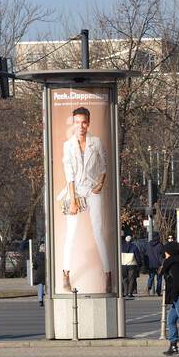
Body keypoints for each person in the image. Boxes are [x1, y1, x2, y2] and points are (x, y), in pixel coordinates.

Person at [59, 106, 112, 294]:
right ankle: (66, 273)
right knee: (70, 235)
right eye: (77, 122)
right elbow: (69, 174)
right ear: (73, 123)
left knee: (98, 231)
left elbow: (105, 165)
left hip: (93, 191)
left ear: (88, 123)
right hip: (75, 191)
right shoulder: (68, 145)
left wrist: (100, 184)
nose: (80, 126)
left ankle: (108, 274)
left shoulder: (95, 142)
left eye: (83, 122)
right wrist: (73, 200)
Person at [33, 242, 46, 307]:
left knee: (40, 286)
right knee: (48, 286)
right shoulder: (47, 256)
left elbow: (34, 266)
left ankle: (40, 300)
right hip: (47, 273)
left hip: (39, 273)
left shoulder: (37, 257)